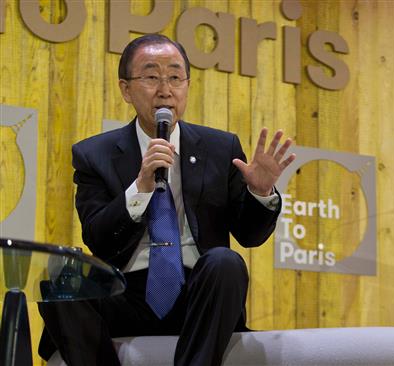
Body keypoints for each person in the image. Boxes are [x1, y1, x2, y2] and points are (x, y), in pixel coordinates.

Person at [38, 34, 295, 366]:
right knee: (61, 284)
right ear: (126, 89)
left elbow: (250, 235)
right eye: (151, 76)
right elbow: (99, 239)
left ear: (187, 86)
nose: (165, 89)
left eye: (175, 77)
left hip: (200, 296)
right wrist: (141, 187)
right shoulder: (93, 155)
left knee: (225, 262)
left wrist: (260, 192)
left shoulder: (221, 148)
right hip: (126, 294)